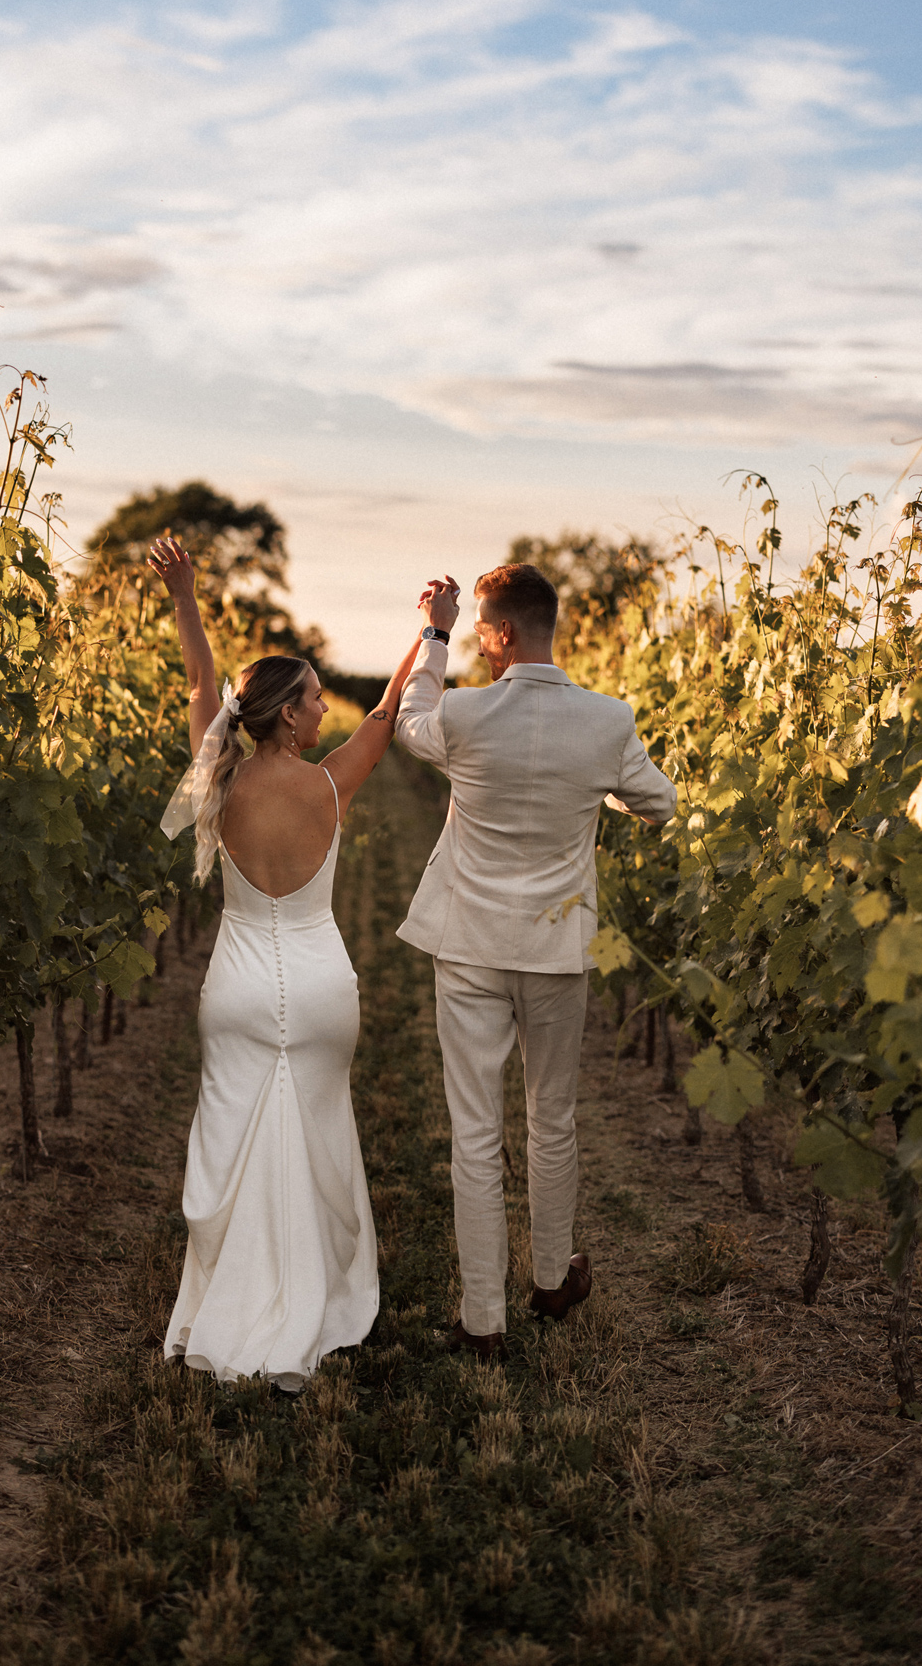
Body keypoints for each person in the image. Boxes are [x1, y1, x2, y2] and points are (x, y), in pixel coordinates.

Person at [149, 535, 421, 1392]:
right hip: (317, 987)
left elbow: (200, 685)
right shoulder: (331, 785)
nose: (323, 712)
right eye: (310, 701)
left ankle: (227, 1305)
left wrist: (186, 596)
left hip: (233, 986)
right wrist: (428, 631)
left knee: (231, 1143)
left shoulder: (218, 779)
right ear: (286, 715)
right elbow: (385, 717)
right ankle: (315, 1303)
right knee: (317, 1141)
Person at [396, 562, 677, 1357]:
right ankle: (553, 1279)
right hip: (556, 953)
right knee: (553, 1120)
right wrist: (600, 786)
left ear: (505, 631)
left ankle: (482, 1320)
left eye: (484, 630)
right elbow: (659, 804)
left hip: (471, 947)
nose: (482, 643)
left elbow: (412, 718)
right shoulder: (608, 721)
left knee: (476, 1133)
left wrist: (434, 631)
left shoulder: (466, 714)